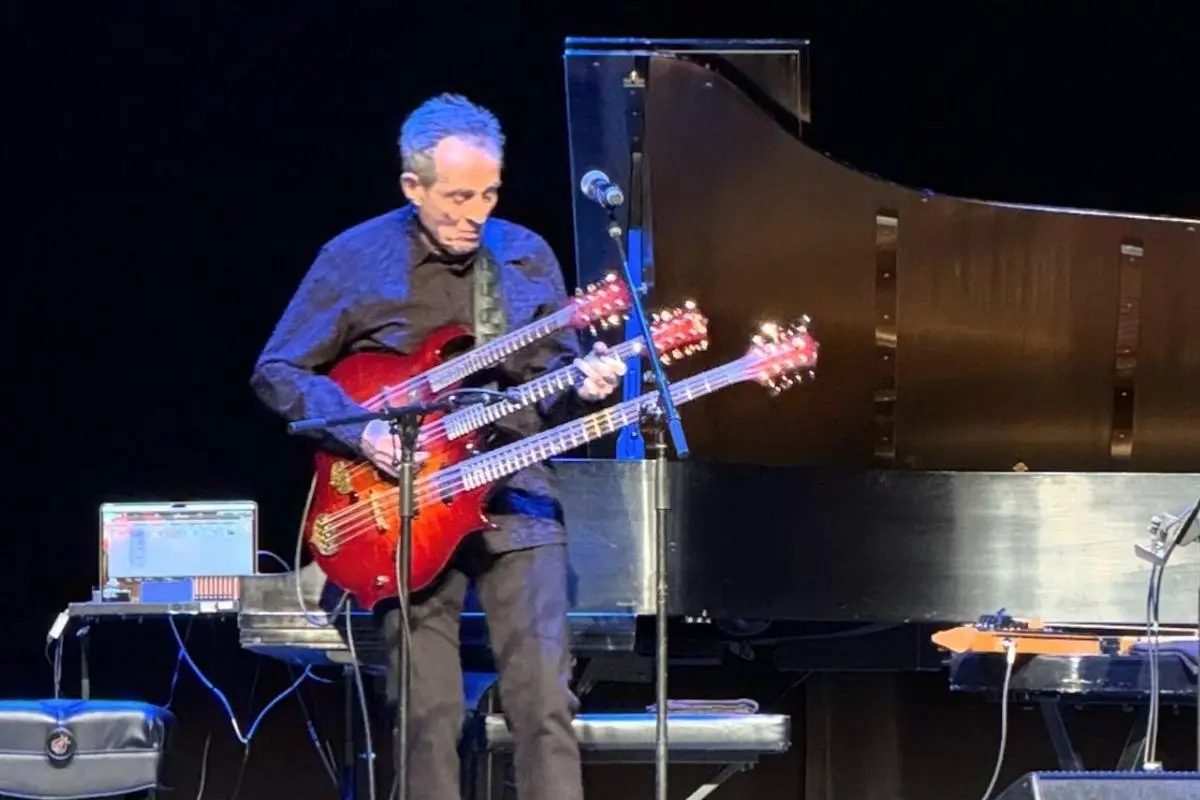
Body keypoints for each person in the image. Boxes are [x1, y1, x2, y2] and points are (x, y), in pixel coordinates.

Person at [250, 93, 626, 800]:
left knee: (545, 705)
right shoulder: (354, 259)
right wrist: (358, 428)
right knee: (429, 712)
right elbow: (277, 371)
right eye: (456, 197)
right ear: (412, 187)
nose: (474, 213)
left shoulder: (522, 256)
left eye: (488, 193)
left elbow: (548, 396)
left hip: (515, 495)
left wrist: (589, 385)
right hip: (405, 509)